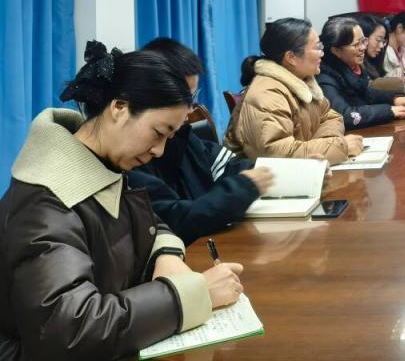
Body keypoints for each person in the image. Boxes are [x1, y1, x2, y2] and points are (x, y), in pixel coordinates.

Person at [0, 42, 244, 360]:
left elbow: (150, 223)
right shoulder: (46, 201)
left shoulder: (102, 163)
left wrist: (166, 254)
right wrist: (193, 295)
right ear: (119, 108)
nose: (159, 150)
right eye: (158, 132)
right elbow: (70, 329)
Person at [128, 38, 274, 245]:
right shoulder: (131, 155)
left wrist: (281, 173)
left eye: (193, 96)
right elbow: (175, 220)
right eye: (183, 98)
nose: (190, 109)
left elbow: (226, 166)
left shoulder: (181, 136)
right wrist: (243, 187)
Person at [224, 18, 361, 163]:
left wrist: (322, 148)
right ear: (291, 57)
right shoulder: (267, 93)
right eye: (317, 47)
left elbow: (331, 118)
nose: (322, 53)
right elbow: (273, 154)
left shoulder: (303, 80)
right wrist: (340, 147)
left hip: (302, 171)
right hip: (260, 175)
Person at [318, 16, 405, 130]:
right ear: (336, 51)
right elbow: (345, 116)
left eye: (364, 41)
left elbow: (367, 93)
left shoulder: (350, 66)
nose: (363, 47)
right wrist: (389, 110)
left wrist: (395, 99)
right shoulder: (325, 78)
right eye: (356, 44)